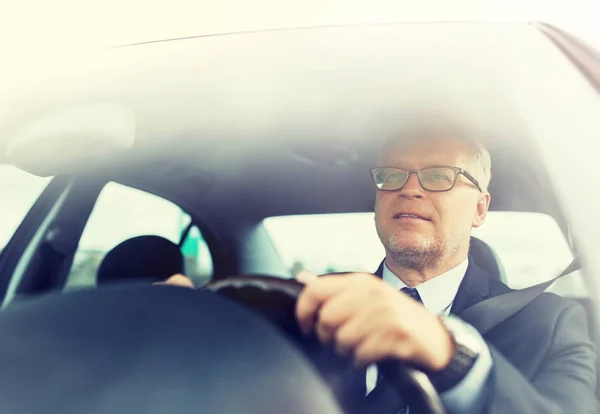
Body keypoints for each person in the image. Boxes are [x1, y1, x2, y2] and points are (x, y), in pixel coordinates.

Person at [161, 119, 598, 413]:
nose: (408, 190)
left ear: (480, 208)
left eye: (439, 176)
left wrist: (454, 356)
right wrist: (191, 343)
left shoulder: (552, 322)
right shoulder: (304, 310)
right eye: (392, 176)